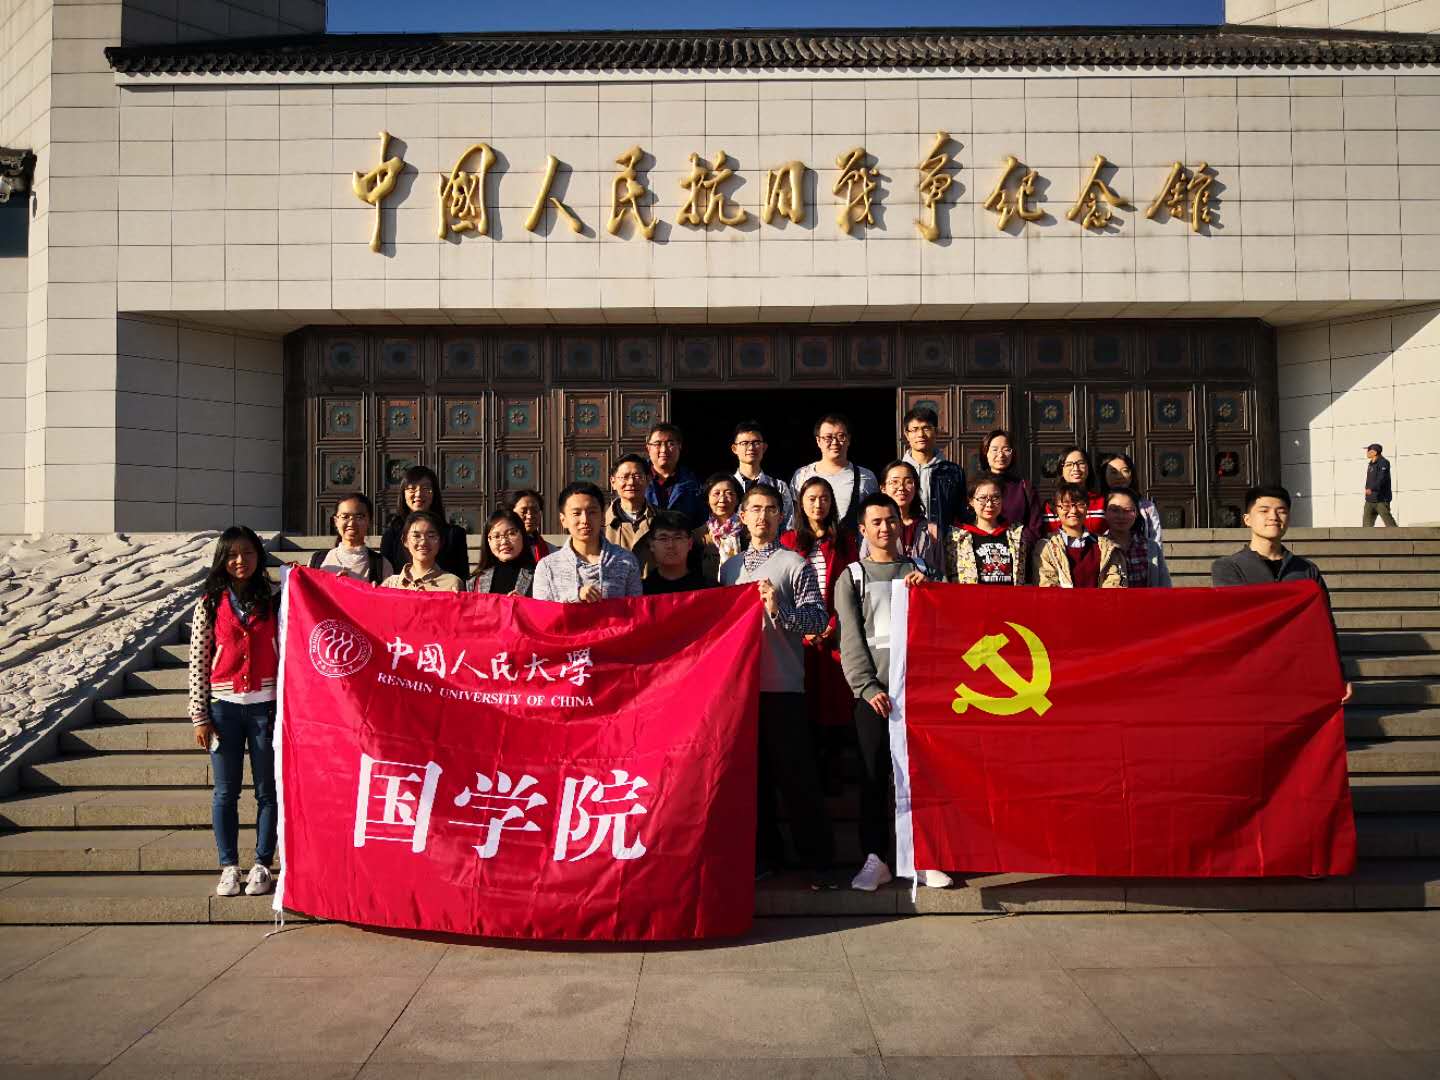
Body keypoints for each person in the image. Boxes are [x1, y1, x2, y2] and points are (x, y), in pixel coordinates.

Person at [834, 493, 950, 892]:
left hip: (917, 694)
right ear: (862, 530)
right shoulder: (852, 576)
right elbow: (850, 638)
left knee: (918, 777)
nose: (885, 528)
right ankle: (876, 858)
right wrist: (866, 686)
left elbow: (944, 625)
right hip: (875, 695)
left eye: (891, 520)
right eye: (877, 522)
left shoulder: (920, 570)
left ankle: (921, 856)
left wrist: (930, 590)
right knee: (873, 776)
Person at [720, 484, 835, 878]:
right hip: (741, 688)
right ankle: (765, 857)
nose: (762, 517)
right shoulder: (729, 569)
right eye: (755, 509)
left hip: (783, 684)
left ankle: (818, 863)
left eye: (771, 509)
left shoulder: (794, 564)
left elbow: (816, 619)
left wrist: (779, 608)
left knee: (796, 777)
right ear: (742, 516)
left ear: (781, 516)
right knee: (753, 781)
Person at [188, 526, 279, 899]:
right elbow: (198, 660)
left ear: (259, 556)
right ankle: (229, 865)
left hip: (265, 707)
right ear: (222, 559)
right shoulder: (210, 602)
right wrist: (199, 715)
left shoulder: (274, 598)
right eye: (232, 554)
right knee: (225, 792)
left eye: (248, 553)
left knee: (267, 791)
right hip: (224, 709)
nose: (241, 561)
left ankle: (262, 863)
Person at [1212, 484, 1353, 704]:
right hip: (1250, 674)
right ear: (1247, 519)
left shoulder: (1307, 570)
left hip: (1299, 673)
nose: (1274, 517)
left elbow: (1325, 625)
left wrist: (1338, 673)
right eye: (1264, 510)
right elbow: (1237, 621)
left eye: (1281, 511)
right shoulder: (1228, 567)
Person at [780, 476, 860, 794]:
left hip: (834, 635)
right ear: (801, 503)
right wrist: (804, 629)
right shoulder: (788, 540)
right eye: (812, 498)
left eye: (824, 498)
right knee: (803, 705)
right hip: (797, 639)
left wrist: (833, 624)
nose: (818, 504)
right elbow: (784, 590)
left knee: (835, 702)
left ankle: (833, 772)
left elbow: (851, 585)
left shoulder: (845, 541)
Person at [533, 481, 643, 602]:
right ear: (563, 520)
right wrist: (575, 597)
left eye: (592, 512)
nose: (585, 520)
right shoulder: (547, 567)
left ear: (602, 516)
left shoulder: (626, 560)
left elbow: (636, 608)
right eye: (576, 513)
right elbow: (542, 612)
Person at [790, 413, 879, 531]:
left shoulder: (866, 477)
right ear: (818, 441)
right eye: (828, 437)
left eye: (841, 436)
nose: (834, 442)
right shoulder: (802, 475)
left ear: (849, 439)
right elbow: (794, 517)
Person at [380, 465, 470, 579]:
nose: (418, 494)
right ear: (403, 494)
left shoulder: (454, 534)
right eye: (412, 488)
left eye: (426, 488)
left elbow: (462, 577)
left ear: (435, 493)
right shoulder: (392, 535)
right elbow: (384, 576)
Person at [1037, 483, 1126, 588]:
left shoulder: (1105, 547)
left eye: (1080, 504)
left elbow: (1114, 586)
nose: (1073, 511)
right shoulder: (1046, 547)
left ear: (1087, 507)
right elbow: (1047, 585)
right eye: (1066, 505)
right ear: (1056, 509)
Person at [946, 476, 1029, 586]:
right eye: (982, 498)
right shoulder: (957, 537)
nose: (989, 504)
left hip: (1009, 596)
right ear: (971, 501)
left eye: (996, 498)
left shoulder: (1016, 535)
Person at [868, 460, 944, 578]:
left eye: (908, 482)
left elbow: (940, 573)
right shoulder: (874, 527)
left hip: (921, 588)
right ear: (883, 488)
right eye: (894, 482)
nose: (901, 488)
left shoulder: (930, 530)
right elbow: (866, 566)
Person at [901, 405, 967, 534]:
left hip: (945, 540)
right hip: (906, 539)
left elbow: (961, 512)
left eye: (926, 428)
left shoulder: (953, 471)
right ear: (907, 434)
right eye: (915, 429)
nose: (921, 434)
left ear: (936, 432)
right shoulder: (897, 472)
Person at [977, 428, 1043, 544]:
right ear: (985, 452)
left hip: (1017, 549)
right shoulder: (975, 487)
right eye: (995, 450)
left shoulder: (1024, 487)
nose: (1001, 455)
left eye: (1006, 450)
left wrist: (1016, 544)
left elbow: (1035, 527)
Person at [309, 492, 391, 584]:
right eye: (345, 517)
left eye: (359, 517)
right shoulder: (318, 561)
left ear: (369, 521)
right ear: (336, 521)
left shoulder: (381, 566)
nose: (351, 523)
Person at [731, 419, 795, 526]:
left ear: (764, 447)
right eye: (744, 443)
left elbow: (788, 524)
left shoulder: (778, 486)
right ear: (734, 448)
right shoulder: (727, 486)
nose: (751, 447)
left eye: (756, 443)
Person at [1103, 488, 1171, 588]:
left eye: (1127, 510)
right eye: (1115, 510)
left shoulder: (1151, 547)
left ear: (1136, 513)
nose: (1121, 516)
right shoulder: (1097, 548)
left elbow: (1164, 585)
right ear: (1105, 512)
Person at [381, 511, 465, 592]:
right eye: (416, 536)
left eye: (431, 536)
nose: (423, 542)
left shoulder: (452, 584)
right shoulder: (390, 585)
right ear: (405, 541)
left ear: (441, 541)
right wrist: (373, 592)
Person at [643, 422, 705, 530]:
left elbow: (701, 521)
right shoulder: (637, 479)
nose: (664, 450)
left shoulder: (693, 483)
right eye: (657, 444)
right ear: (648, 448)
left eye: (670, 443)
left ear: (679, 446)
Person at [606, 453, 657, 572]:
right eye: (624, 477)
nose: (631, 482)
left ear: (648, 479)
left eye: (637, 476)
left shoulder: (662, 519)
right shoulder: (600, 524)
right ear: (613, 482)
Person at [694, 473, 747, 582]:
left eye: (729, 493)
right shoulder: (698, 536)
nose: (722, 499)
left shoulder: (749, 532)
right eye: (716, 493)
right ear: (707, 499)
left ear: (737, 499)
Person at [470, 509, 535, 597]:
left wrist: (524, 603)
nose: (504, 541)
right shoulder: (475, 581)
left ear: (523, 535)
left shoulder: (539, 575)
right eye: (496, 536)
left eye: (511, 533)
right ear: (488, 541)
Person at [1042, 445, 1105, 535]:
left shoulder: (1102, 502)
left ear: (1088, 467)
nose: (1076, 469)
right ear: (1061, 470)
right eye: (1069, 464)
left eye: (1081, 463)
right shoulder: (1049, 505)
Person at [644, 511, 711, 594]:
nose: (670, 545)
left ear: (690, 543)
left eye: (678, 538)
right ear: (651, 544)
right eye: (663, 538)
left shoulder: (709, 590)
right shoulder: (640, 592)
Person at [1100, 452, 1163, 542]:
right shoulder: (1096, 505)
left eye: (1125, 471)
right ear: (1104, 475)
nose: (1119, 476)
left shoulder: (1147, 506)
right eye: (1114, 472)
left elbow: (1155, 540)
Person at [508, 489, 553, 559]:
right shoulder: (501, 548)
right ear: (511, 513)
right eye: (523, 511)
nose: (529, 516)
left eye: (535, 511)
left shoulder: (551, 552)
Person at [1363, 443, 1398, 527]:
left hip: (1381, 500)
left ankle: (1398, 535)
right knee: (1366, 527)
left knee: (1390, 525)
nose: (1367, 452)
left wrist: (1371, 488)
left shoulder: (1384, 463)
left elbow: (1381, 479)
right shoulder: (1371, 464)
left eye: (1369, 451)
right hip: (1370, 500)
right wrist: (1367, 489)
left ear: (1375, 452)